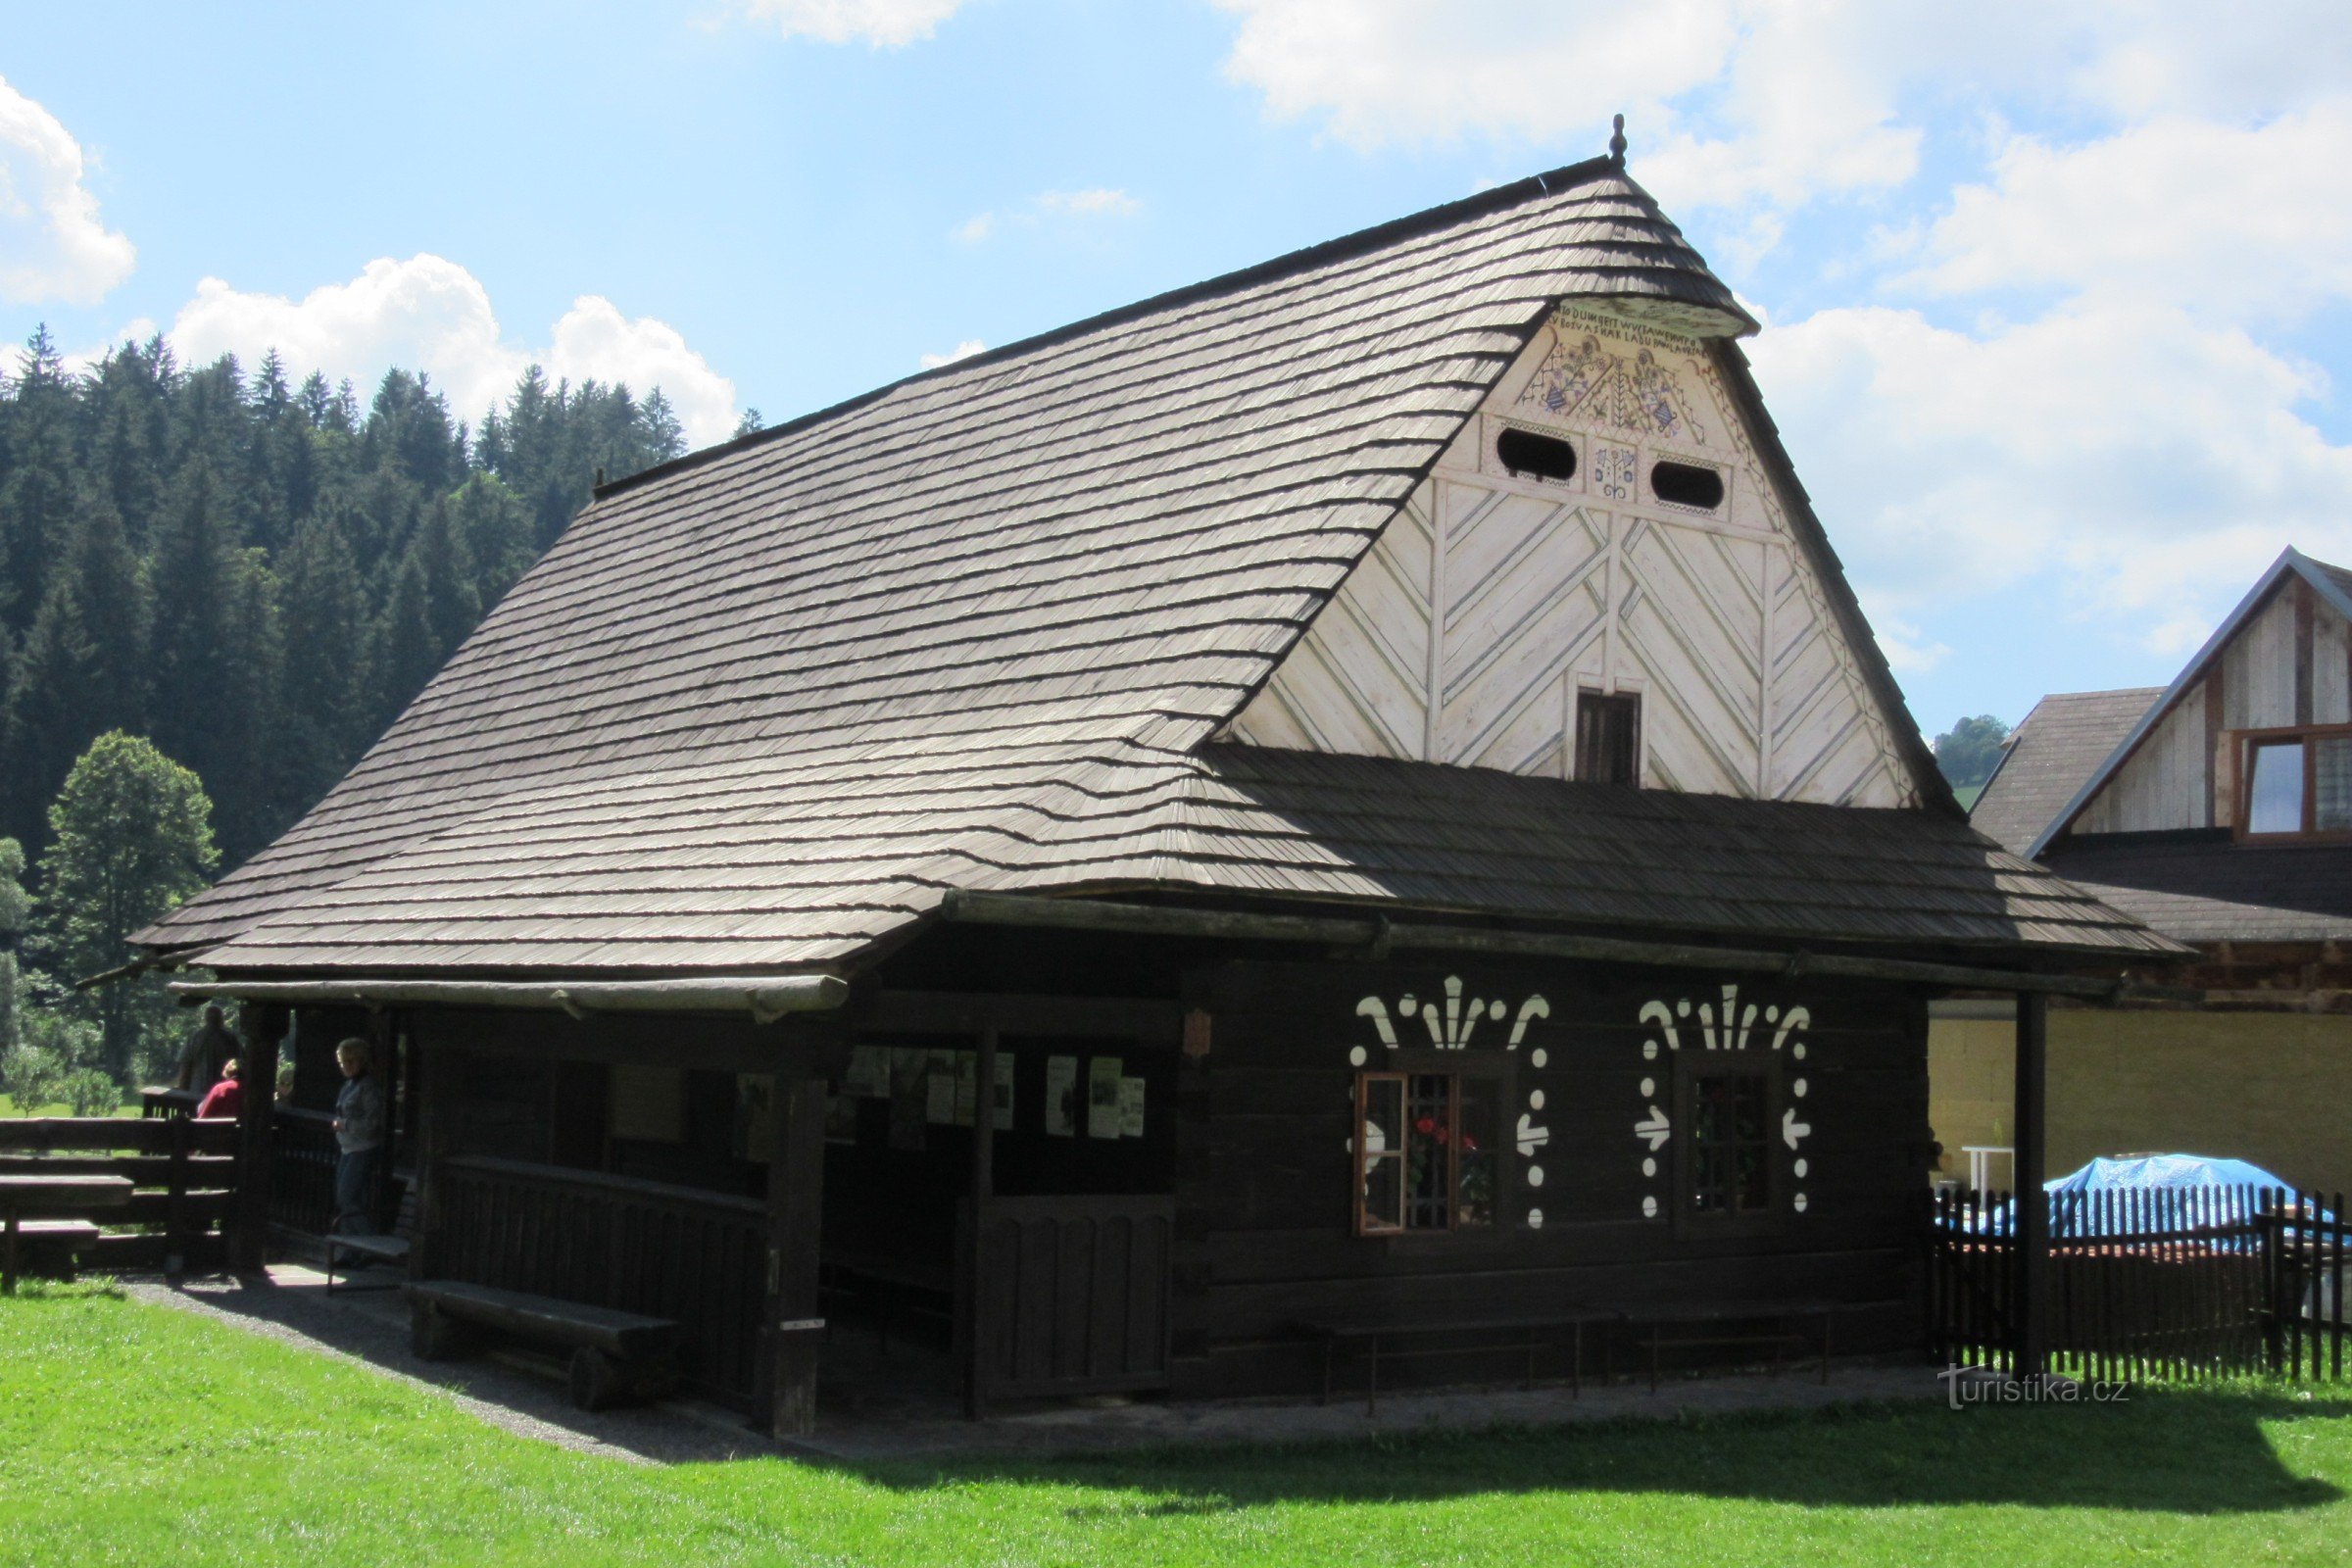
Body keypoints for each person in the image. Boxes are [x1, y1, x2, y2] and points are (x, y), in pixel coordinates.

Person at [331, 1038, 387, 1236]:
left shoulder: (369, 1087)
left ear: (361, 1061)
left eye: (351, 1061)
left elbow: (373, 1124)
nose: (346, 1066)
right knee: (343, 1199)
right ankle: (351, 1249)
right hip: (347, 1148)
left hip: (363, 1149)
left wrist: (344, 1124)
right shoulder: (347, 1086)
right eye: (342, 1062)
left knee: (347, 1197)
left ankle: (370, 1241)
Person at [172, 1005, 236, 1096]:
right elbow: (240, 1065)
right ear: (221, 1019)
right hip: (222, 1092)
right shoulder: (230, 1039)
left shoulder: (195, 1038)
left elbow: (185, 1068)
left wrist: (182, 1092)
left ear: (205, 1019)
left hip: (197, 1090)